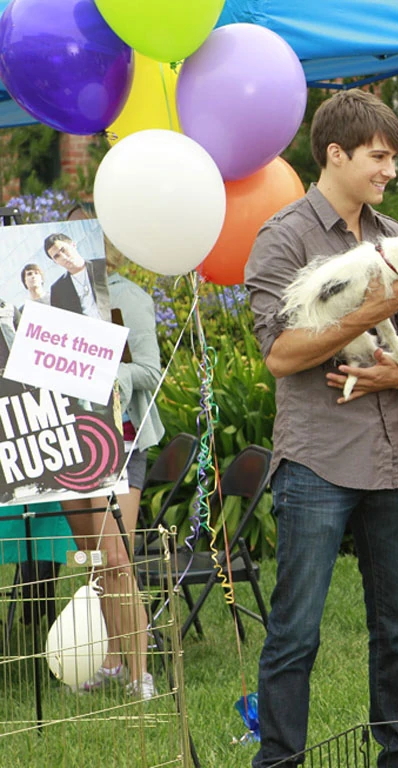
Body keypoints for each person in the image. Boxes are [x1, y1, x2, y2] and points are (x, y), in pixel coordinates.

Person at [245, 89, 398, 768]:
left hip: (392, 461)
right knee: (296, 634)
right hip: (317, 462)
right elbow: (280, 354)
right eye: (379, 157)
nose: (390, 170)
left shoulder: (395, 236)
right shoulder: (283, 236)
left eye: (393, 158)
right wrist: (363, 316)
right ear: (336, 153)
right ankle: (279, 760)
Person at [60, 207, 165, 699]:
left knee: (117, 558)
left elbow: (150, 371)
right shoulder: (50, 302)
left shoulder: (128, 297)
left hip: (118, 444)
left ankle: (141, 675)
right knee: (94, 559)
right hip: (67, 445)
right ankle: (112, 661)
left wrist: (102, 371)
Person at [43, 231, 110, 320]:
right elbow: (61, 321)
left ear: (73, 245)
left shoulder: (103, 266)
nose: (63, 257)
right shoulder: (57, 289)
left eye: (63, 250)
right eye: (57, 256)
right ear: (55, 262)